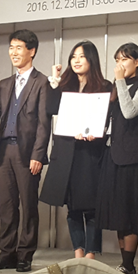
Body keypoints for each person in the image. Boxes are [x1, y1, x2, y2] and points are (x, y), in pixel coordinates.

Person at [0, 29, 51, 273]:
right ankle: (6, 253)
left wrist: (38, 154)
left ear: (32, 51)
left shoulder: (41, 82)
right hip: (4, 150)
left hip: (27, 153)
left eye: (19, 48)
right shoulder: (5, 84)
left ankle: (25, 255)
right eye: (11, 48)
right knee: (6, 206)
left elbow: (44, 123)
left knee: (28, 206)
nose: (13, 52)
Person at [40, 41, 112, 260]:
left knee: (91, 205)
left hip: (89, 153)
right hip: (66, 151)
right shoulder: (64, 85)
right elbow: (51, 108)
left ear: (92, 59)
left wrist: (96, 133)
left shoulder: (104, 86)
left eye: (81, 56)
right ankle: (78, 252)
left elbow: (106, 117)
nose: (76, 61)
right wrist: (54, 81)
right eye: (73, 57)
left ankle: (91, 253)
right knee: (72, 205)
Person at [96, 42, 138, 274]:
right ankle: (125, 265)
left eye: (124, 59)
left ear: (137, 62)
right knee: (119, 212)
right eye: (117, 60)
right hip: (112, 155)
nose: (119, 64)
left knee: (130, 212)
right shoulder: (117, 88)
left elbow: (130, 111)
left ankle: (129, 265)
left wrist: (120, 81)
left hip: (132, 158)